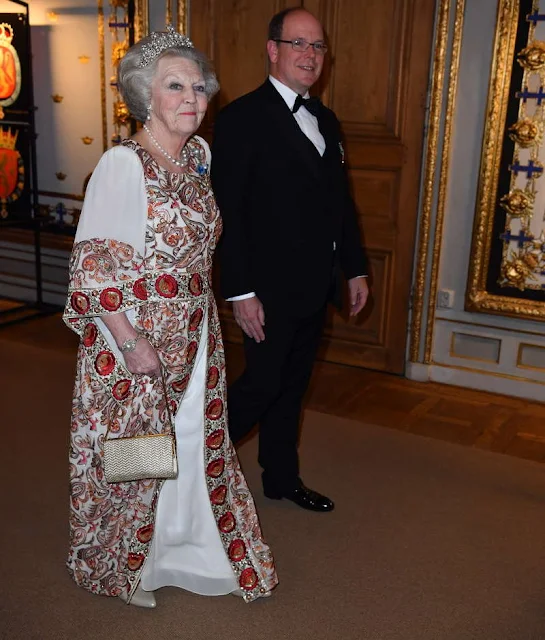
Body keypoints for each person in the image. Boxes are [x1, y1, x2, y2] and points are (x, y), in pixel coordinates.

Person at [63, 26, 277, 609]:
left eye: (199, 87)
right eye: (175, 86)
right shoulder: (121, 165)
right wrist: (132, 343)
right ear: (143, 96)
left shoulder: (200, 157)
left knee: (189, 440)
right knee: (138, 448)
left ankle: (186, 545)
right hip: (135, 334)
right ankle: (129, 561)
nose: (193, 98)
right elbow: (94, 270)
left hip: (197, 328)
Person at [211, 8, 369, 513]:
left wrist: (355, 266)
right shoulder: (240, 119)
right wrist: (239, 292)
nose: (309, 55)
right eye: (298, 44)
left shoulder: (324, 117)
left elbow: (339, 203)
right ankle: (188, 469)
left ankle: (281, 478)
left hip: (314, 285)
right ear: (272, 49)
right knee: (260, 386)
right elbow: (228, 214)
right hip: (265, 290)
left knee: (292, 388)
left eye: (318, 46)